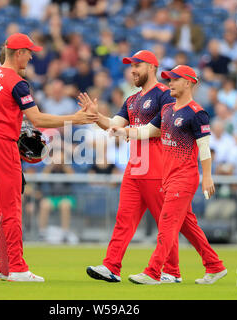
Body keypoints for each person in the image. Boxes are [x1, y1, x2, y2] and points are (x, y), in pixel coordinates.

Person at [0, 33, 98, 282]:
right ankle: (17, 268)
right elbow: (38, 119)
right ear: (18, 53)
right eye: (29, 52)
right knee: (11, 208)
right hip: (0, 145)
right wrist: (77, 118)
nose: (31, 56)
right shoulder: (18, 82)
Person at [109, 65, 227, 284]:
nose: (170, 83)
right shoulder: (166, 110)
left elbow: (204, 149)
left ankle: (153, 272)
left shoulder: (196, 113)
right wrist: (122, 130)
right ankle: (215, 266)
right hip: (168, 177)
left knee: (166, 225)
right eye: (169, 79)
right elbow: (146, 131)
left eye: (175, 79)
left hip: (184, 178)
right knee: (187, 225)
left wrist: (208, 176)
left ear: (189, 83)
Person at [78, 50, 183, 284]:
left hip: (156, 165)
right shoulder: (132, 99)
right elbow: (113, 125)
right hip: (135, 165)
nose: (133, 69)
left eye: (138, 65)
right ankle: (111, 266)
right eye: (131, 65)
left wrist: (124, 131)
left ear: (152, 68)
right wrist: (96, 117)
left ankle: (172, 271)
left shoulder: (164, 95)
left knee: (164, 221)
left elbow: (158, 129)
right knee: (124, 218)